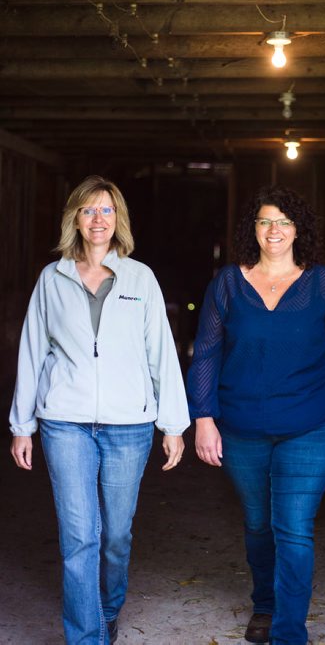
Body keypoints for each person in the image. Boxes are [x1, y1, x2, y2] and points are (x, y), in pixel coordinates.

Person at [187, 185, 325, 645]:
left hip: (312, 425)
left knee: (292, 527)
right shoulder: (228, 283)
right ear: (253, 229)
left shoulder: (323, 283)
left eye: (284, 221)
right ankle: (265, 605)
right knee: (257, 524)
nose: (274, 230)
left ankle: (290, 633)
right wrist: (204, 417)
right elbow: (207, 352)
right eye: (266, 221)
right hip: (241, 425)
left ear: (298, 230)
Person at [9, 175, 190, 645]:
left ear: (118, 220)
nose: (98, 219)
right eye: (88, 210)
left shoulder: (139, 278)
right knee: (79, 536)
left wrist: (173, 423)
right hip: (64, 422)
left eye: (107, 211)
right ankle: (86, 636)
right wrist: (22, 425)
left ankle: (109, 608)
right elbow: (32, 351)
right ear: (75, 218)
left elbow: (161, 353)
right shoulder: (52, 279)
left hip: (129, 425)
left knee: (115, 536)